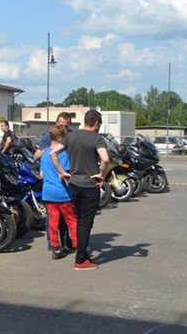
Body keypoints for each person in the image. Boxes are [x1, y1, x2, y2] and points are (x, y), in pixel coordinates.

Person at [50, 109, 109, 270]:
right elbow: (105, 159)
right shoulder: (97, 138)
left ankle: (81, 253)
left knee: (78, 220)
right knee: (85, 223)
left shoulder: (71, 136)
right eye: (100, 123)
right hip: (90, 186)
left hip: (74, 184)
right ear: (96, 123)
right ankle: (81, 259)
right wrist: (102, 175)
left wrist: (62, 172)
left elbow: (52, 153)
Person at [40, 125, 78, 260]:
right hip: (63, 193)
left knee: (53, 222)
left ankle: (55, 248)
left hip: (48, 193)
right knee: (72, 220)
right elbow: (64, 175)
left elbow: (41, 174)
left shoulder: (45, 153)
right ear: (61, 138)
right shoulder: (62, 154)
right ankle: (77, 245)